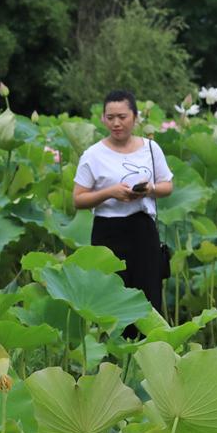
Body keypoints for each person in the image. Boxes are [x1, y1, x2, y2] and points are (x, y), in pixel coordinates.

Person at [72, 89, 174, 322]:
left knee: (148, 297)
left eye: (122, 117)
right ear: (103, 119)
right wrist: (110, 193)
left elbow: (167, 185)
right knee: (112, 299)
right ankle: (115, 355)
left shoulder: (151, 148)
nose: (116, 123)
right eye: (110, 118)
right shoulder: (93, 154)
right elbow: (78, 199)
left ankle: (148, 353)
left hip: (142, 229)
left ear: (135, 117)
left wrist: (150, 189)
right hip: (108, 232)